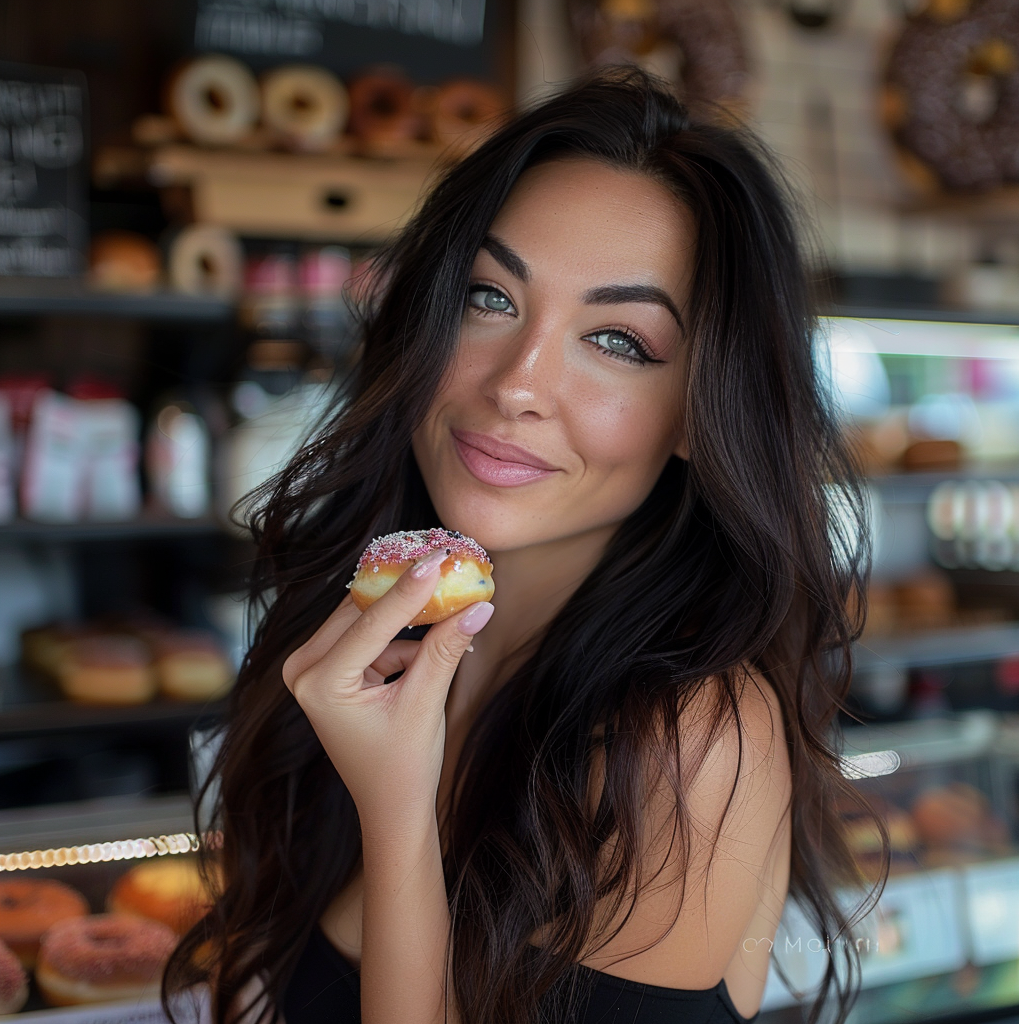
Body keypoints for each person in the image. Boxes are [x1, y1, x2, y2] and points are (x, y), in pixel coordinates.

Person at [164, 66, 884, 1024]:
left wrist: (398, 816)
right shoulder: (389, 637)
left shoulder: (683, 738)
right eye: (488, 297)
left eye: (618, 341)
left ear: (696, 418)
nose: (517, 383)